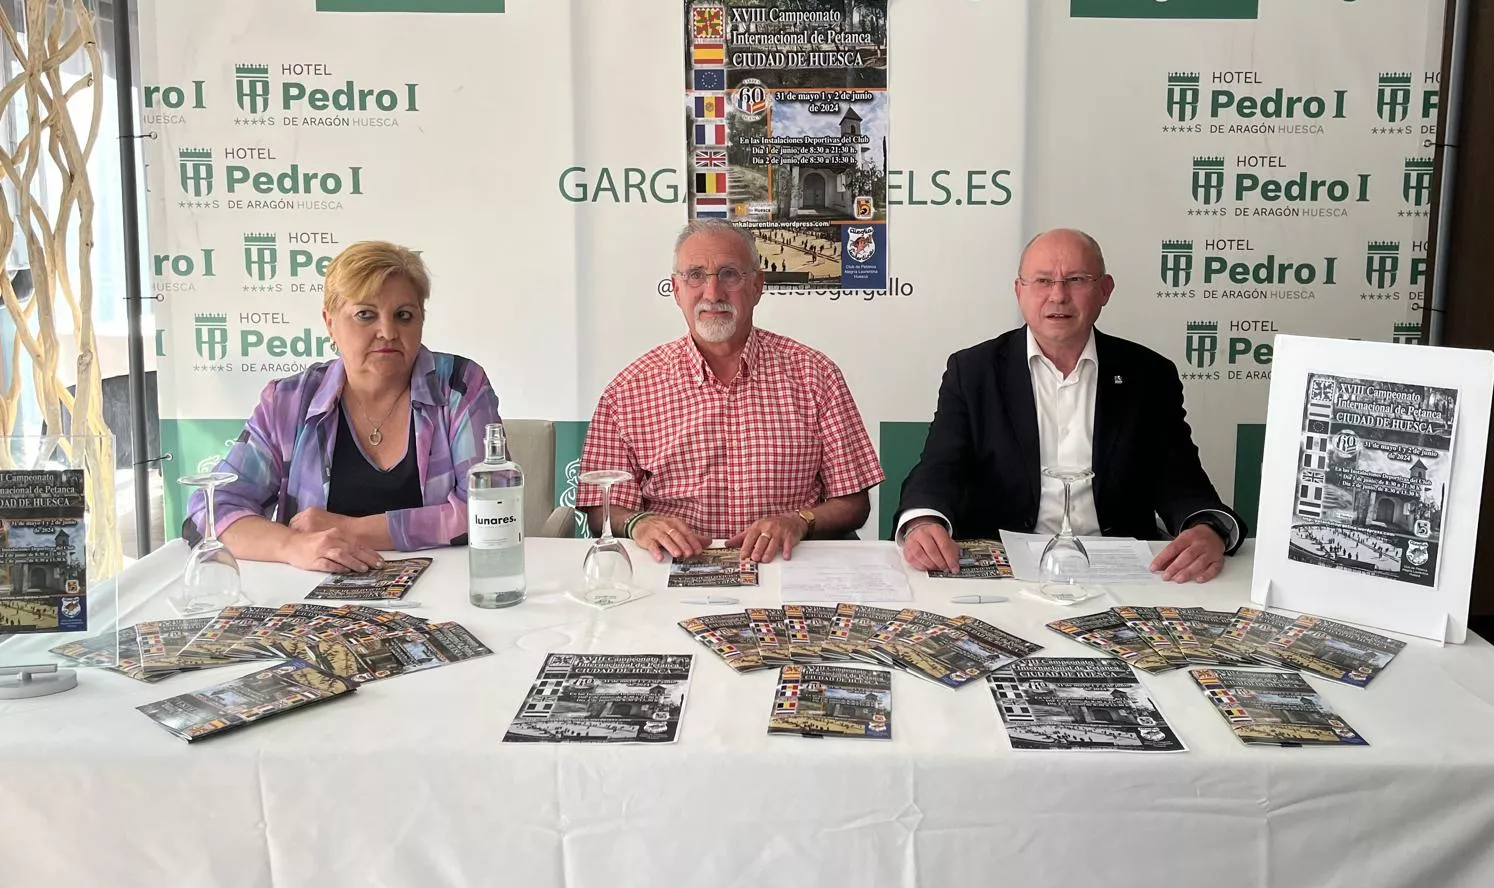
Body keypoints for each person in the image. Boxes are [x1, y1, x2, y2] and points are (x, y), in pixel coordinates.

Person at [896, 228, 1244, 584]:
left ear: (1105, 290)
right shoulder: (973, 371)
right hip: (1006, 567)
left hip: (1118, 568)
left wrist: (1208, 527)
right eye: (1043, 281)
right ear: (1020, 291)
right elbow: (940, 466)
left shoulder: (1148, 374)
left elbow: (1180, 477)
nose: (1058, 296)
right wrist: (924, 522)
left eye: (1076, 280)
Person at [183, 241, 502, 573]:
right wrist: (294, 545)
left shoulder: (459, 386)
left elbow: (490, 508)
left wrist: (350, 529)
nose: (388, 332)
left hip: (448, 587)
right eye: (366, 314)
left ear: (421, 320)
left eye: (403, 315)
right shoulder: (289, 401)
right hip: (315, 600)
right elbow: (209, 511)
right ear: (330, 322)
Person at [578, 219, 883, 563]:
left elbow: (854, 504)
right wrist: (639, 523)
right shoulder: (628, 390)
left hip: (788, 565)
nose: (712, 293)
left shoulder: (815, 375)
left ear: (756, 286)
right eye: (695, 275)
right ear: (676, 290)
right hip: (672, 568)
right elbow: (602, 508)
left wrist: (799, 521)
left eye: (729, 274)